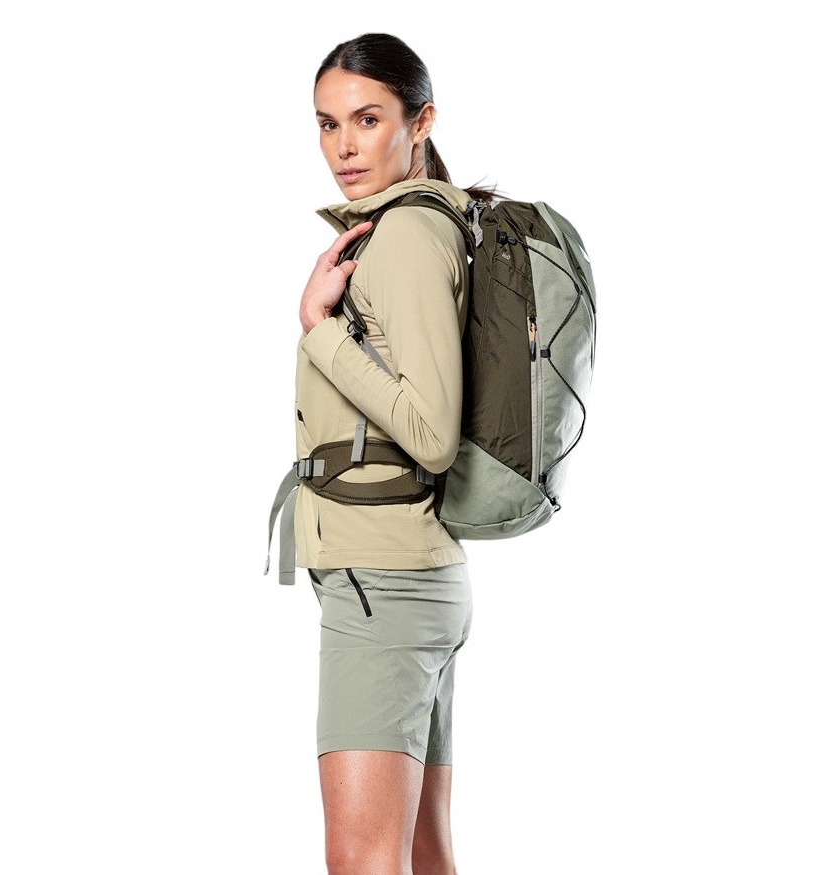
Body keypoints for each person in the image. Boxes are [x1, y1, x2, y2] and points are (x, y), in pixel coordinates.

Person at [291, 32, 494, 875]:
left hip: (386, 589)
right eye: (327, 123)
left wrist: (318, 327)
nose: (344, 145)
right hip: (409, 581)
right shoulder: (411, 227)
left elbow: (430, 430)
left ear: (420, 122)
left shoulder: (407, 235)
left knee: (363, 861)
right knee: (422, 856)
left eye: (367, 119)